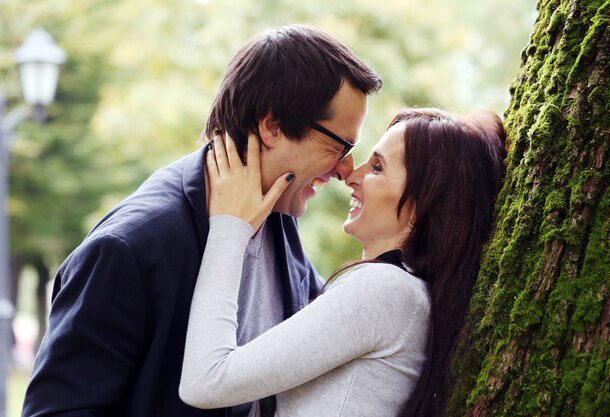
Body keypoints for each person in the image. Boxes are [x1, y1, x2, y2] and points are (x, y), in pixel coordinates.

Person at [21, 25, 381, 417]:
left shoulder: (278, 212)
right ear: (272, 126)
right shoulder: (130, 249)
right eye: (339, 145)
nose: (346, 169)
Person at [179, 107, 507, 417]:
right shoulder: (402, 294)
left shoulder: (386, 291)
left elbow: (207, 382)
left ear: (422, 207)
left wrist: (229, 224)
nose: (352, 175)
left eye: (377, 168)